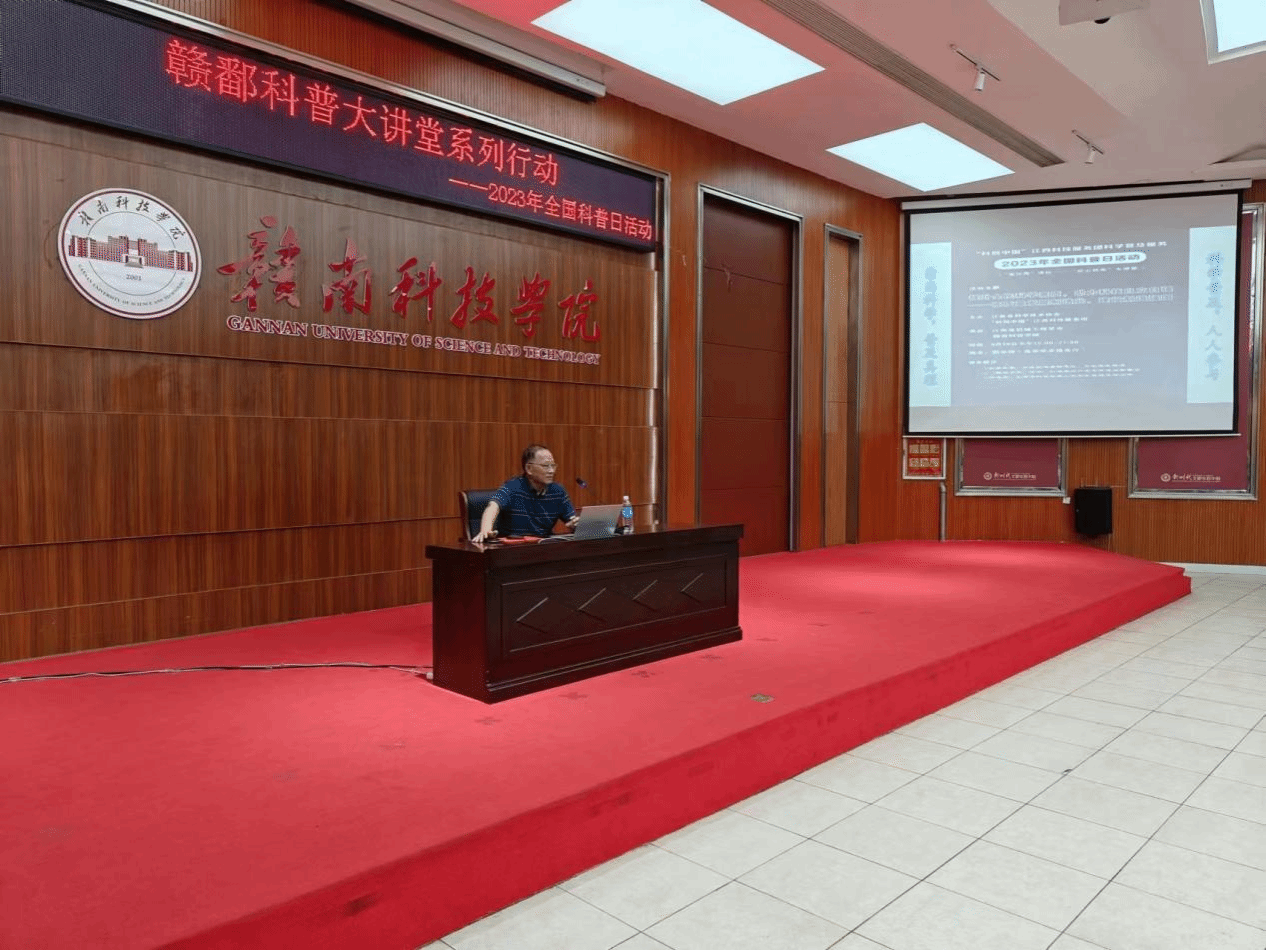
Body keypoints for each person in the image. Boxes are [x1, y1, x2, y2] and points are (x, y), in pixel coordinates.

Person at [472, 444, 580, 543]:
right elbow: (493, 506)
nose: (551, 471)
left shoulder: (558, 491)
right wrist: (485, 530)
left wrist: (575, 525)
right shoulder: (512, 486)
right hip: (514, 547)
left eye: (553, 466)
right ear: (529, 468)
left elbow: (572, 520)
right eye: (546, 466)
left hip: (543, 546)